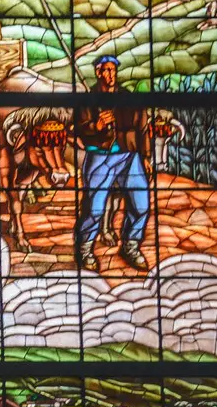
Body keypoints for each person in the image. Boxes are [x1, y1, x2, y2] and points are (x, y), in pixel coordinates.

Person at [72, 58, 168, 274]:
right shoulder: (87, 101)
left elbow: (142, 126)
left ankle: (130, 245)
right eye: (106, 70)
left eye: (113, 70)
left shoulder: (128, 98)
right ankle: (85, 249)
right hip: (99, 157)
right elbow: (78, 129)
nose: (111, 75)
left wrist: (145, 156)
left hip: (129, 155)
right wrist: (96, 125)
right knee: (94, 209)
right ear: (98, 73)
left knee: (141, 204)